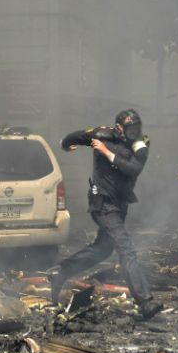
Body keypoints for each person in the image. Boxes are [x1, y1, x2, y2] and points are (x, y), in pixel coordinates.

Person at [47, 109, 164, 320]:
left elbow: (132, 169)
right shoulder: (102, 134)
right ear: (119, 128)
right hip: (102, 203)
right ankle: (145, 302)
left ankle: (60, 273)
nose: (134, 133)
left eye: (137, 128)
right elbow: (77, 135)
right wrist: (66, 144)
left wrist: (105, 153)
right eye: (130, 129)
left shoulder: (140, 146)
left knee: (102, 250)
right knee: (126, 249)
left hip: (120, 205)